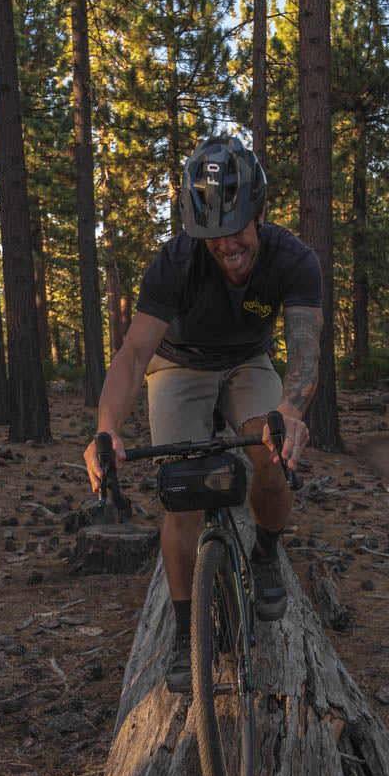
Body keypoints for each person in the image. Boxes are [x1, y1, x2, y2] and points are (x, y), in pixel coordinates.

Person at [83, 136, 323, 692]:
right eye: (212, 236)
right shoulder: (175, 262)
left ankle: (265, 552)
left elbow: (306, 344)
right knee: (182, 492)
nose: (226, 246)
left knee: (270, 453)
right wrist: (106, 428)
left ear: (259, 214)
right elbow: (134, 353)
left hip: (247, 361)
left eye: (236, 230)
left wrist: (289, 408)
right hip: (178, 367)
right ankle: (182, 627)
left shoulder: (293, 258)